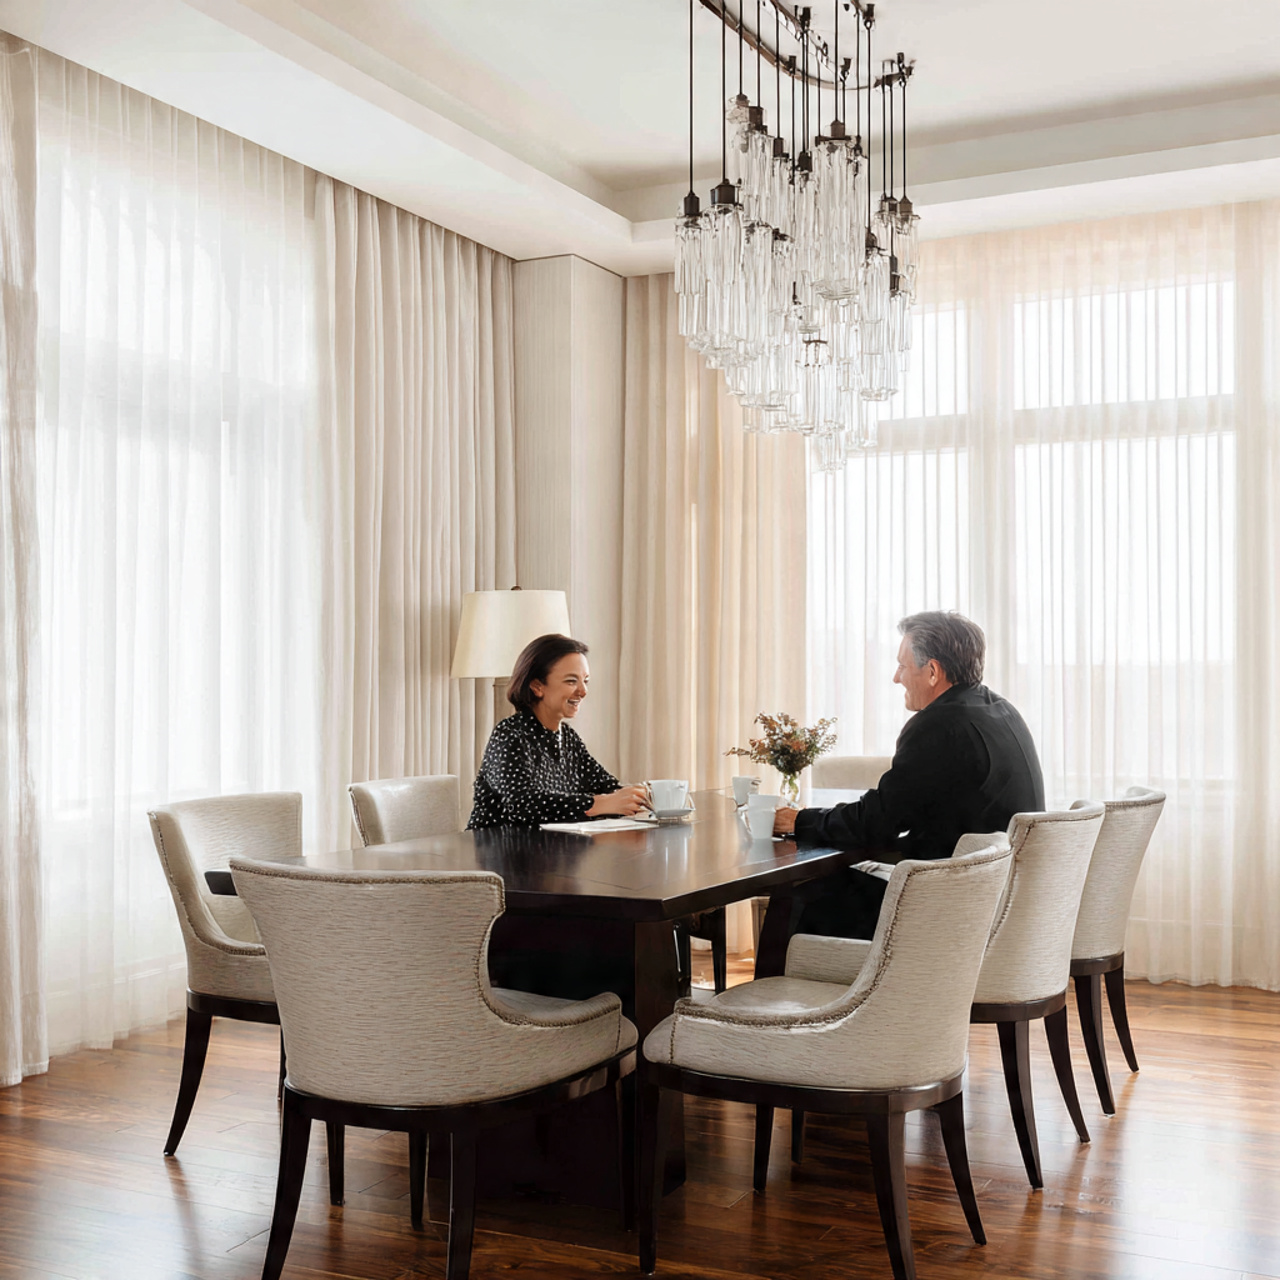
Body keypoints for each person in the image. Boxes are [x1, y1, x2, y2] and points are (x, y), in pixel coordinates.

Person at [773, 610, 1044, 940]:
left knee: (796, 898)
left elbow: (876, 821)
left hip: (951, 907)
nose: (895, 677)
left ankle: (779, 993)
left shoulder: (939, 726)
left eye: (902, 666)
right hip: (998, 897)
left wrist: (798, 821)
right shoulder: (1000, 709)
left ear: (932, 671)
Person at [468, 633, 648, 829]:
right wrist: (597, 804)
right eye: (571, 681)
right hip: (499, 854)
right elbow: (521, 804)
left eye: (585, 681)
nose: (583, 691)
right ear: (537, 686)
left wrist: (640, 796)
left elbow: (606, 786)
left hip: (553, 855)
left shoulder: (568, 738)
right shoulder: (509, 734)